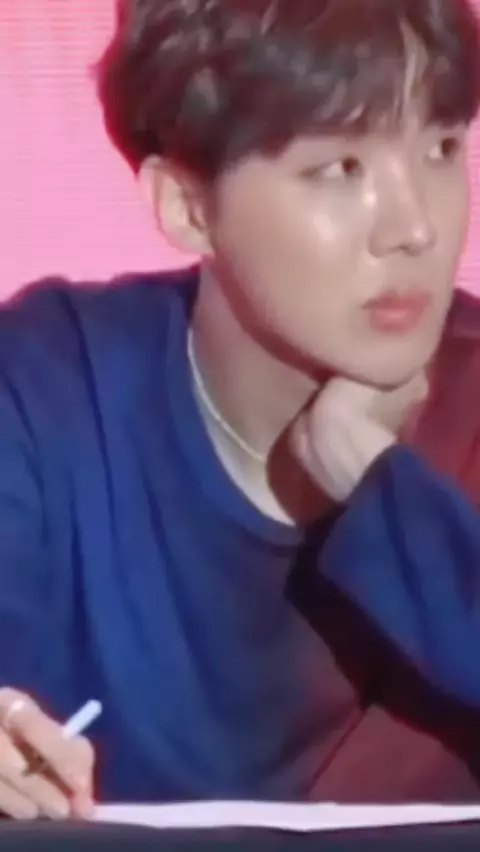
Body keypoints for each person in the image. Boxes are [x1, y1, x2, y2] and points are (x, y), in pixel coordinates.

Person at [0, 0, 480, 822]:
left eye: (441, 149)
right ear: (188, 207)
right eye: (343, 168)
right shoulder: (49, 384)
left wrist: (376, 484)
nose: (415, 229)